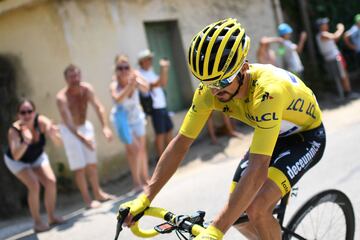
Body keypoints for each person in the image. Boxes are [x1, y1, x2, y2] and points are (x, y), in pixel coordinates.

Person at [119, 18, 326, 240]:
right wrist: (145, 198)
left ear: (243, 68)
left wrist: (216, 230)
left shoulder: (268, 92)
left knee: (256, 208)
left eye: (222, 82)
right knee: (238, 215)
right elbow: (181, 144)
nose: (215, 91)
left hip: (305, 138)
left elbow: (258, 168)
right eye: (208, 83)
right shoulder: (209, 90)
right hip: (273, 134)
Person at [56, 64, 115, 209]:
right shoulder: (62, 97)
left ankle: (98, 193)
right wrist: (84, 139)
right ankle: (88, 200)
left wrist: (105, 127)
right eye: (71, 76)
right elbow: (69, 123)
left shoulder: (87, 89)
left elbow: (98, 106)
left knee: (92, 164)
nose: (75, 79)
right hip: (70, 131)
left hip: (84, 126)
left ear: (80, 75)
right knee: (79, 167)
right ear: (66, 79)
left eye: (76, 75)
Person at [4, 99, 64, 232]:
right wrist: (26, 140)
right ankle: (37, 222)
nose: (27, 115)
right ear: (18, 115)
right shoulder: (14, 131)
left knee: (50, 181)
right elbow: (16, 156)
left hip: (36, 157)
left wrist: (54, 135)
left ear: (34, 112)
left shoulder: (41, 122)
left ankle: (51, 216)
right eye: (23, 112)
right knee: (34, 185)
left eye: (29, 111)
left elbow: (57, 141)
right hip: (17, 161)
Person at [110, 54, 150, 191]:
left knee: (141, 150)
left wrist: (136, 82)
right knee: (134, 149)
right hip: (123, 121)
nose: (124, 70)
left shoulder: (135, 76)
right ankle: (137, 182)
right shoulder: (114, 84)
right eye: (120, 68)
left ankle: (146, 179)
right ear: (116, 70)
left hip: (137, 117)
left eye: (126, 67)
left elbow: (146, 89)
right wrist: (129, 86)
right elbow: (117, 99)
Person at [137, 49, 174, 159]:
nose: (150, 61)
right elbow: (155, 84)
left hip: (162, 105)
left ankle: (171, 156)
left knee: (169, 130)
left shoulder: (150, 71)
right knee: (160, 134)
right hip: (155, 108)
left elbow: (163, 83)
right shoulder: (140, 74)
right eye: (148, 59)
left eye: (150, 59)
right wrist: (163, 69)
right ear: (142, 61)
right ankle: (161, 159)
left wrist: (165, 69)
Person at [316, 17, 357, 99]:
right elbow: (335, 36)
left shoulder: (323, 35)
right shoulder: (323, 34)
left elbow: (334, 39)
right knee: (343, 75)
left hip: (332, 57)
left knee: (341, 75)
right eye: (325, 24)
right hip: (334, 57)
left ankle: (345, 93)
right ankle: (347, 93)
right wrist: (341, 28)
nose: (327, 25)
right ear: (321, 26)